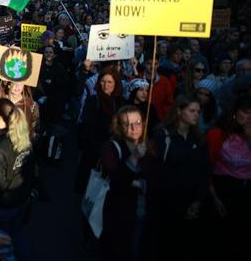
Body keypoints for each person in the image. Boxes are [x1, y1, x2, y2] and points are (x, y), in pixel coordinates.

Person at [152, 95, 209, 260]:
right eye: (191, 111)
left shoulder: (198, 139)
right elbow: (158, 174)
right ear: (179, 111)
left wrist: (198, 201)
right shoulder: (163, 136)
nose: (196, 115)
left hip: (193, 205)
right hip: (168, 208)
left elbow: (204, 171)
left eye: (198, 111)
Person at [99, 106, 156, 261]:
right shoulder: (110, 147)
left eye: (137, 123)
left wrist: (139, 183)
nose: (133, 128)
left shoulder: (150, 147)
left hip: (144, 213)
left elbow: (158, 179)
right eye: (127, 124)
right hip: (118, 214)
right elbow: (116, 179)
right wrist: (134, 158)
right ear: (119, 126)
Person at [0, 98, 38, 260]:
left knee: (0, 246)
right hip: (21, 200)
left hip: (2, 207)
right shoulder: (23, 139)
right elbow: (30, 171)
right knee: (18, 237)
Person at [205, 95, 251, 258]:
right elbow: (206, 167)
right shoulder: (218, 134)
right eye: (245, 112)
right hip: (223, 187)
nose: (249, 118)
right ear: (235, 113)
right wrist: (214, 196)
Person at [76, 67, 124, 194]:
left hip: (113, 149)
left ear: (116, 84)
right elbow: (87, 127)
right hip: (94, 150)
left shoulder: (119, 102)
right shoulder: (93, 100)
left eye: (109, 82)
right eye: (103, 81)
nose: (105, 85)